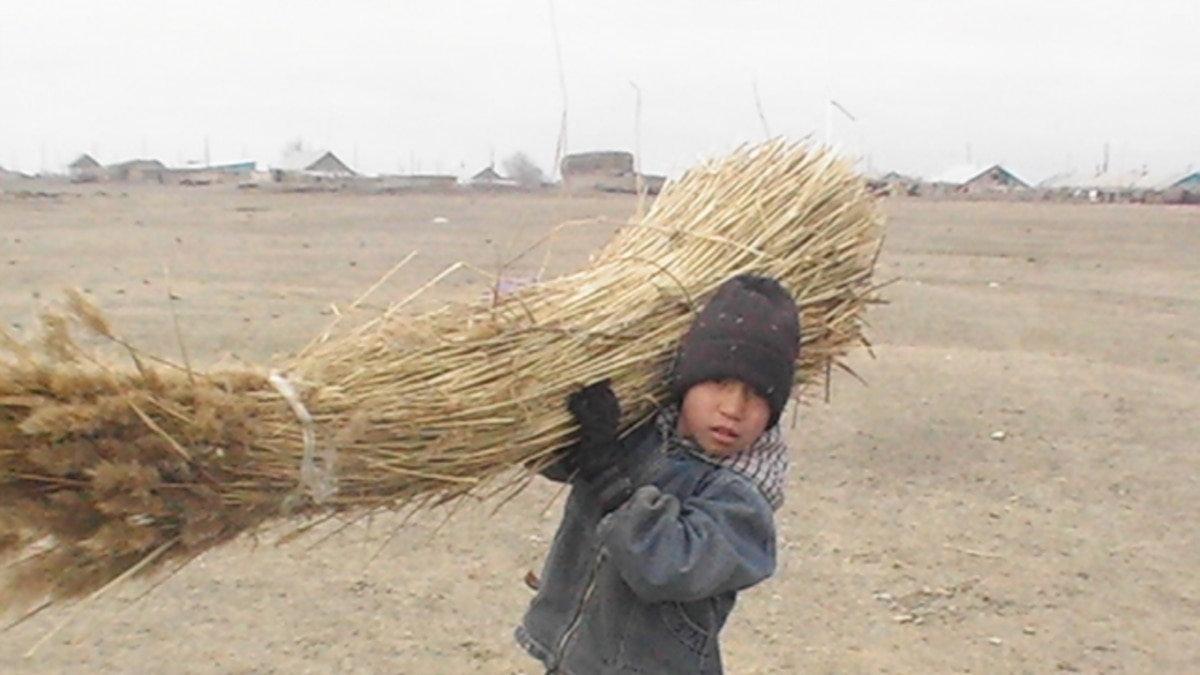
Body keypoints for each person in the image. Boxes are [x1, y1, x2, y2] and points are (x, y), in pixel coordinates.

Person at [516, 273, 802, 674]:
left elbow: (667, 567)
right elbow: (553, 462)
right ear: (686, 380)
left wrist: (611, 481)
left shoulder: (743, 500)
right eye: (719, 382)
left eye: (757, 394)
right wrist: (562, 421)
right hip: (575, 656)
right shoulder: (641, 431)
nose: (733, 408)